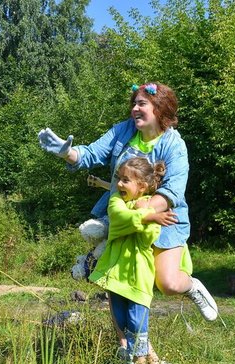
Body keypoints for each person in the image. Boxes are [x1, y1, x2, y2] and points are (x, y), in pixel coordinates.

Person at [37, 82, 218, 321]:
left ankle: (192, 287)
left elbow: (171, 192)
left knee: (168, 283)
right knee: (118, 284)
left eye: (141, 103)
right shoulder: (123, 131)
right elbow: (91, 154)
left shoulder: (174, 145)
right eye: (134, 103)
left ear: (159, 108)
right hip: (122, 218)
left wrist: (141, 212)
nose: (134, 108)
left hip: (163, 220)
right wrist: (67, 153)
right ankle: (130, 353)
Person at [88, 156, 174, 364]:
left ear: (142, 186)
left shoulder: (150, 204)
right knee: (122, 323)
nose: (120, 184)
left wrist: (148, 214)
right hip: (115, 275)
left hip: (138, 276)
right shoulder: (116, 201)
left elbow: (149, 235)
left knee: (137, 326)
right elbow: (118, 219)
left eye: (126, 180)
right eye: (119, 179)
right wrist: (147, 216)